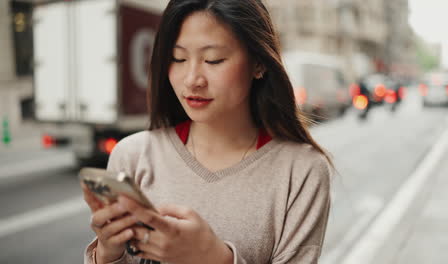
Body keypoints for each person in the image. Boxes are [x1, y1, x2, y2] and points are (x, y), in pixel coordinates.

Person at [81, 0, 333, 263]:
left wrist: (213, 258)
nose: (192, 79)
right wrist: (108, 252)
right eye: (177, 58)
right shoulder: (132, 155)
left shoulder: (302, 170)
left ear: (258, 63)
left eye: (213, 60)